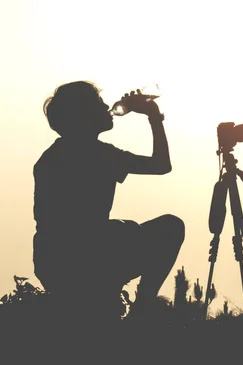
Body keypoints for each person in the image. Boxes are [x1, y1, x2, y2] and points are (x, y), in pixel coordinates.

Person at [33, 81, 185, 321]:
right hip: (89, 255)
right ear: (84, 115)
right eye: (98, 104)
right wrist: (154, 117)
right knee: (170, 228)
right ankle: (142, 312)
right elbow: (161, 165)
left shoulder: (52, 157)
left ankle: (117, 310)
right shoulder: (99, 154)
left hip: (53, 262)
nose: (106, 106)